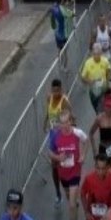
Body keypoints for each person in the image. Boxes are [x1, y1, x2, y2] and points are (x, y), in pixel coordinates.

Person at [48, 110, 89, 220]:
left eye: (67, 122)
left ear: (70, 121)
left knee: (71, 204)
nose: (65, 125)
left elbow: (86, 140)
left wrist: (83, 155)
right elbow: (50, 152)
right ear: (59, 123)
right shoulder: (55, 136)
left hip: (75, 172)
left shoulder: (77, 133)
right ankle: (72, 205)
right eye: (62, 122)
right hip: (63, 173)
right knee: (68, 197)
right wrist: (58, 158)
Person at [43, 78, 72, 206]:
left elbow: (72, 118)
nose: (56, 93)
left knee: (66, 164)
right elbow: (48, 113)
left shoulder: (64, 101)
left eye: (58, 90)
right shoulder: (49, 98)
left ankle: (70, 190)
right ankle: (58, 192)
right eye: (53, 90)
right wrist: (45, 123)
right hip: (53, 136)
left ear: (61, 89)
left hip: (63, 137)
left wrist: (68, 130)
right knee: (54, 167)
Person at [82, 43, 111, 114]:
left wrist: (108, 81)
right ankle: (100, 117)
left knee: (102, 109)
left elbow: (109, 71)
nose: (96, 56)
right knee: (97, 109)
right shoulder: (88, 63)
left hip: (103, 89)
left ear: (101, 53)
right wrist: (89, 81)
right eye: (94, 54)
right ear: (92, 53)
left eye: (98, 54)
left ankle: (103, 118)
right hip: (93, 91)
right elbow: (83, 77)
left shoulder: (105, 61)